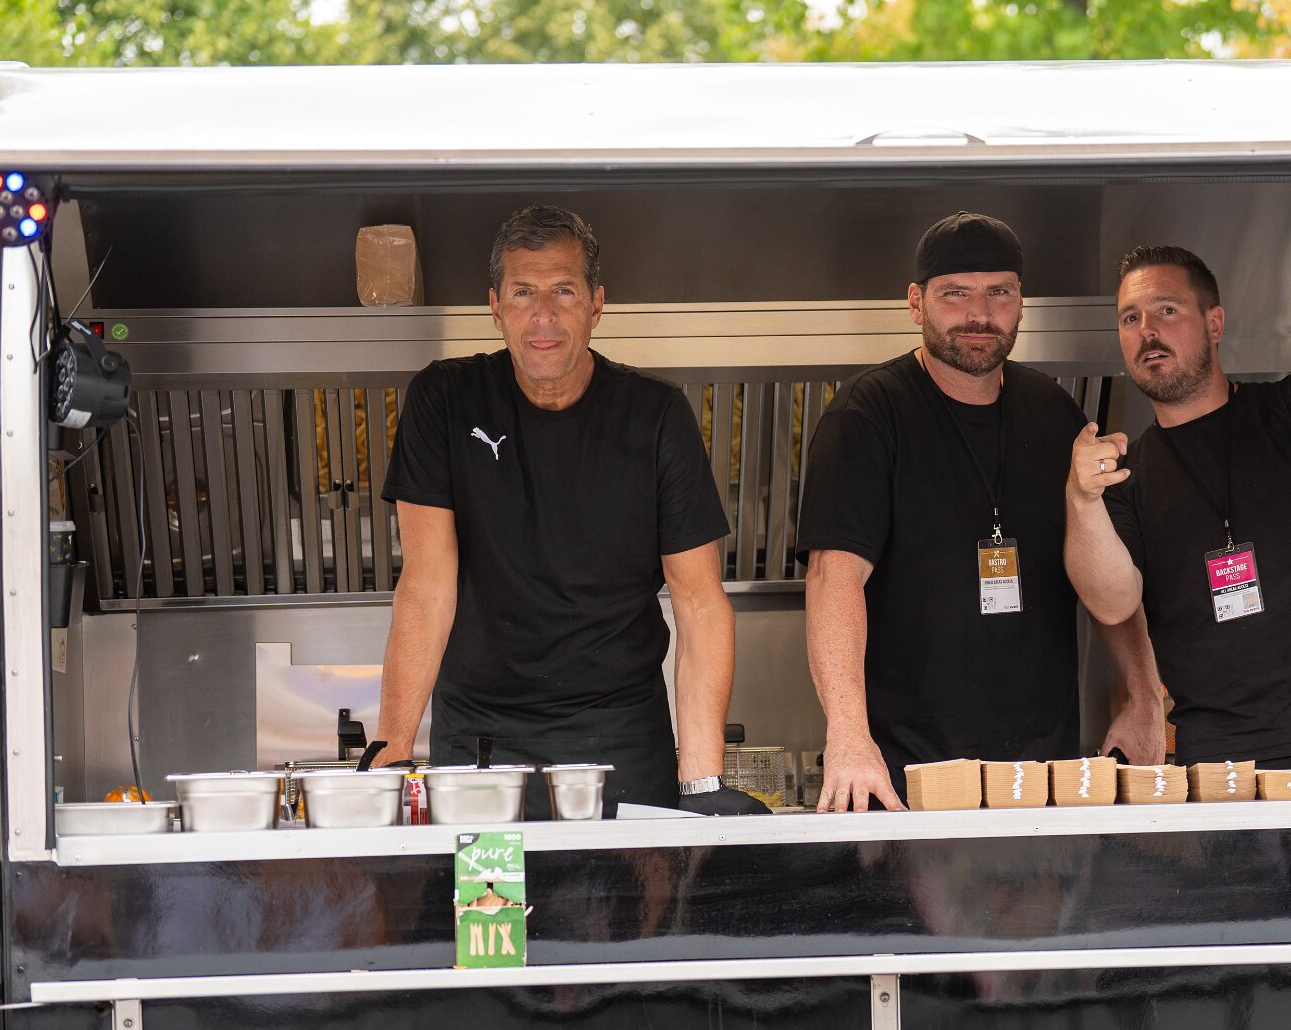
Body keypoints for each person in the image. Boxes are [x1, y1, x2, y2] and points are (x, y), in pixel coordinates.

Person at [375, 205, 765, 817]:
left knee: (624, 886)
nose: (543, 315)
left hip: (621, 740)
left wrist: (701, 783)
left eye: (563, 290)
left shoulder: (656, 416)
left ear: (596, 304)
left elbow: (699, 602)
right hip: (479, 741)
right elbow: (426, 586)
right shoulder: (445, 400)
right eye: (522, 292)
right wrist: (392, 748)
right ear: (495, 307)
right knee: (489, 886)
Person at [798, 211, 1165, 811]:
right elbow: (833, 579)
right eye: (955, 294)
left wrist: (1145, 696)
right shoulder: (867, 416)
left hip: (1044, 777)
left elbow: (1106, 571)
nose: (979, 313)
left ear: (1021, 304)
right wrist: (848, 734)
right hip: (907, 778)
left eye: (999, 292)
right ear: (915, 303)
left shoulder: (1054, 413)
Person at [1063, 244, 1291, 768]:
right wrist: (1082, 498)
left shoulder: (1288, 411)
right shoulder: (1128, 477)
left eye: (1167, 309)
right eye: (1130, 318)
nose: (1148, 330)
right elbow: (1112, 602)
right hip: (1230, 765)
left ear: (1214, 323)